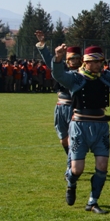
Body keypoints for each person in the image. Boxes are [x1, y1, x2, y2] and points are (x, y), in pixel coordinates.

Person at [51, 42, 110, 214]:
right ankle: (71, 182)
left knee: (102, 166)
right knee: (77, 169)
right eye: (95, 62)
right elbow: (58, 75)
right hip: (80, 127)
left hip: (101, 127)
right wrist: (58, 58)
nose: (99, 65)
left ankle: (93, 202)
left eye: (100, 61)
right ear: (86, 62)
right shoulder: (75, 78)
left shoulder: (105, 77)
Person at [35, 31, 82, 162]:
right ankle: (72, 160)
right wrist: (42, 44)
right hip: (60, 107)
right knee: (63, 140)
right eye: (72, 58)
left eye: (76, 58)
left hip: (75, 107)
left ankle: (73, 163)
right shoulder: (61, 70)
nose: (74, 61)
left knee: (73, 138)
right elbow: (50, 60)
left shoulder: (84, 72)